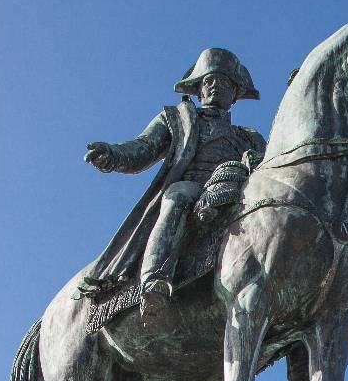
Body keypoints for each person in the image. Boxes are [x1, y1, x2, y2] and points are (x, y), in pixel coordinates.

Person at [80, 48, 265, 315]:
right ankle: (155, 279)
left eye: (223, 82)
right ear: (198, 89)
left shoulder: (249, 137)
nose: (215, 87)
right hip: (192, 187)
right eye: (209, 81)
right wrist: (112, 155)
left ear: (235, 93)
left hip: (235, 191)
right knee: (177, 195)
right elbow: (143, 148)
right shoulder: (177, 119)